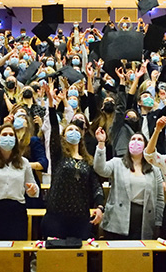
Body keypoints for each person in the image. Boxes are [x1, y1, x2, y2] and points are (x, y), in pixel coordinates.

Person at [42, 85, 104, 240]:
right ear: (63, 136)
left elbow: (96, 186)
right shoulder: (58, 155)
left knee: (78, 259)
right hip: (56, 217)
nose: (74, 132)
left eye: (77, 131)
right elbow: (54, 128)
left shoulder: (87, 160)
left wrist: (100, 206)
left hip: (80, 218)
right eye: (70, 130)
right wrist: (51, 103)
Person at [93, 128, 164, 240]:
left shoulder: (154, 170)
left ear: (145, 145)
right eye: (133, 139)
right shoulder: (117, 163)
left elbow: (160, 199)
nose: (136, 141)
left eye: (140, 139)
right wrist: (101, 143)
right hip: (117, 220)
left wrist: (158, 222)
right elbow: (100, 169)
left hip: (143, 220)